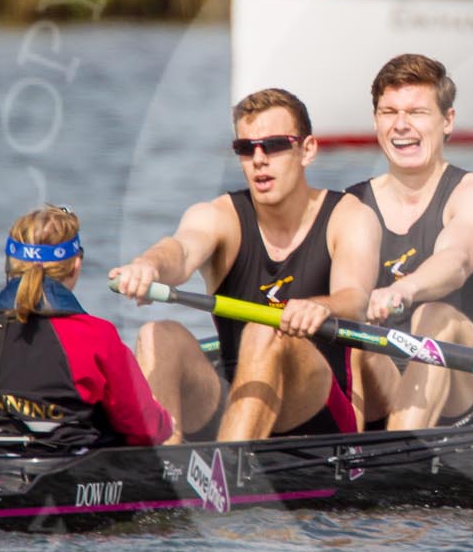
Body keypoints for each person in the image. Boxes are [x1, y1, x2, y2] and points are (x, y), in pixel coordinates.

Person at [108, 89, 379, 441]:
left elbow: (354, 298)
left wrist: (320, 306)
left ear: (307, 149)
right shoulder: (219, 216)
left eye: (275, 145)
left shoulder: (349, 216)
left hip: (316, 410)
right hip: (233, 398)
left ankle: (225, 472)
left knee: (263, 328)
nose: (259, 159)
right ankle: (162, 472)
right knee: (157, 334)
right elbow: (180, 251)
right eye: (246, 149)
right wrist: (148, 266)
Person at [345, 54, 473, 428]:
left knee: (434, 316)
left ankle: (400, 449)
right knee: (353, 336)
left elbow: (455, 262)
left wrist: (406, 288)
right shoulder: (349, 205)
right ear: (375, 121)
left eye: (417, 112)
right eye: (389, 112)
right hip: (386, 382)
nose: (401, 126)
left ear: (447, 121)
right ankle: (347, 456)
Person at [0, 205, 171, 452]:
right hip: (67, 469)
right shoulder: (98, 336)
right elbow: (144, 431)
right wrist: (166, 423)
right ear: (76, 264)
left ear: (8, 264)